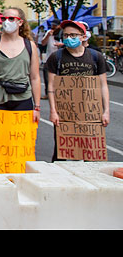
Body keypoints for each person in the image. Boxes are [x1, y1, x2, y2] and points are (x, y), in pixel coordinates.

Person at [0, 7, 41, 170]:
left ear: (20, 22)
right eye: (4, 18)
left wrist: (37, 107)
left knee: (20, 145)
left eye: (11, 19)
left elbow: (35, 77)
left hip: (22, 99)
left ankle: (19, 179)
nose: (6, 22)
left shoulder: (30, 46)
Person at [44, 20, 110, 161]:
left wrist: (106, 111)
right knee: (61, 152)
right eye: (66, 35)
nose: (69, 38)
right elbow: (51, 86)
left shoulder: (95, 57)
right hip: (64, 113)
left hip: (90, 113)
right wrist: (53, 111)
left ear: (83, 36)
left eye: (73, 35)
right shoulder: (57, 57)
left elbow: (103, 85)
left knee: (90, 153)